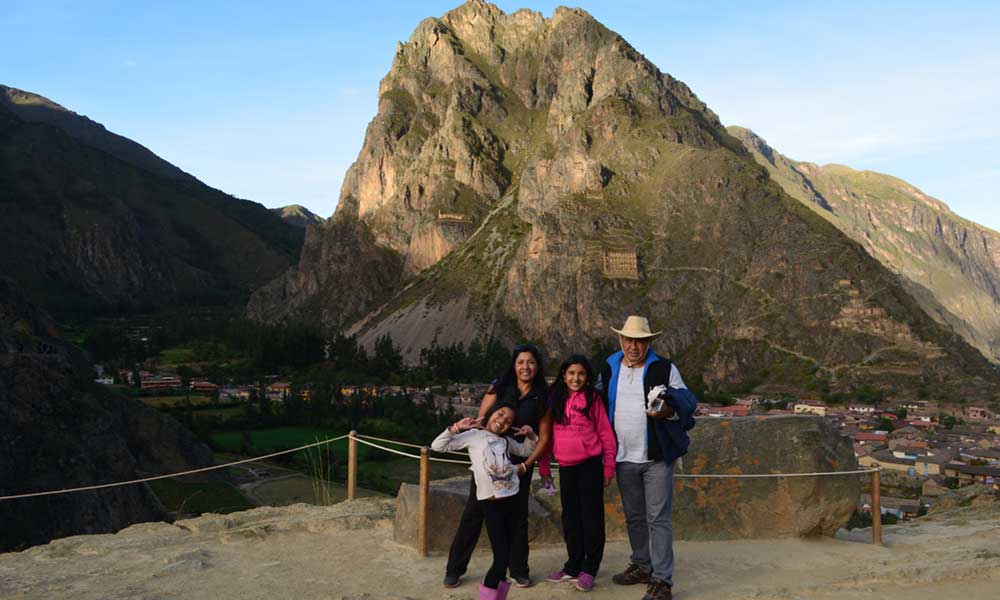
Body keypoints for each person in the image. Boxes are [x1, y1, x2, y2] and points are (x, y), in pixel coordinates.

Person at [598, 316, 697, 600]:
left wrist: (668, 412)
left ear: (649, 342)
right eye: (628, 340)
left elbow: (688, 400)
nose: (634, 346)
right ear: (620, 340)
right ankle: (642, 565)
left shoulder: (665, 368)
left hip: (656, 456)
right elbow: (595, 400)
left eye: (640, 341)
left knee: (659, 518)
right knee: (634, 516)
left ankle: (662, 581)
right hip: (622, 455)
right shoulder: (610, 365)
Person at [443, 343, 552, 589]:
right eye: (521, 362)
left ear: (538, 366)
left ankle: (519, 569)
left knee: (518, 517)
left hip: (519, 463)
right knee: (474, 513)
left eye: (531, 362)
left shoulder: (542, 395)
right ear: (514, 365)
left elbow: (543, 436)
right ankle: (455, 568)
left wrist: (526, 465)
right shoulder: (499, 386)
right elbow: (480, 423)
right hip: (489, 465)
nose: (526, 367)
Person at [432, 406, 538, 600]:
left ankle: (496, 596)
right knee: (500, 559)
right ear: (490, 415)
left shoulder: (506, 441)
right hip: (491, 503)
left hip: (511, 500)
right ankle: (487, 595)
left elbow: (526, 450)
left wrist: (530, 435)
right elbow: (438, 446)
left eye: (508, 420)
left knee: (504, 557)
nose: (503, 420)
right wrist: (456, 427)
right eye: (500, 414)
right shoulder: (474, 435)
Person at [539, 354, 617, 592]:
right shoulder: (555, 398)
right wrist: (544, 465)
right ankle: (573, 565)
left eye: (581, 374)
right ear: (563, 375)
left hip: (590, 465)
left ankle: (590, 569)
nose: (576, 378)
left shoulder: (593, 399)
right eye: (571, 373)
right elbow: (547, 436)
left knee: (591, 518)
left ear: (587, 377)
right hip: (566, 467)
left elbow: (605, 433)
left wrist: (608, 466)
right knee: (570, 518)